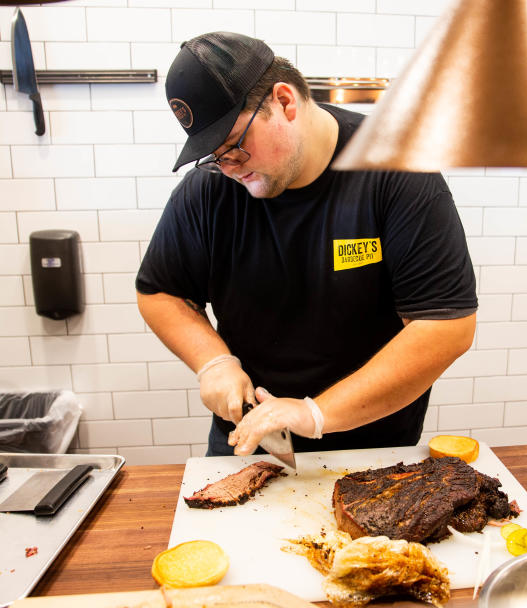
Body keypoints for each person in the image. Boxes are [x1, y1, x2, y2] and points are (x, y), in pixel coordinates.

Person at [135, 32, 477, 457]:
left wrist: (315, 413)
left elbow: (446, 327)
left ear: (284, 101)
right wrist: (212, 361)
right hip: (251, 441)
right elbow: (160, 292)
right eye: (213, 156)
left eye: (236, 146)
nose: (228, 167)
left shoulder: (395, 171)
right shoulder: (209, 189)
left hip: (371, 450)